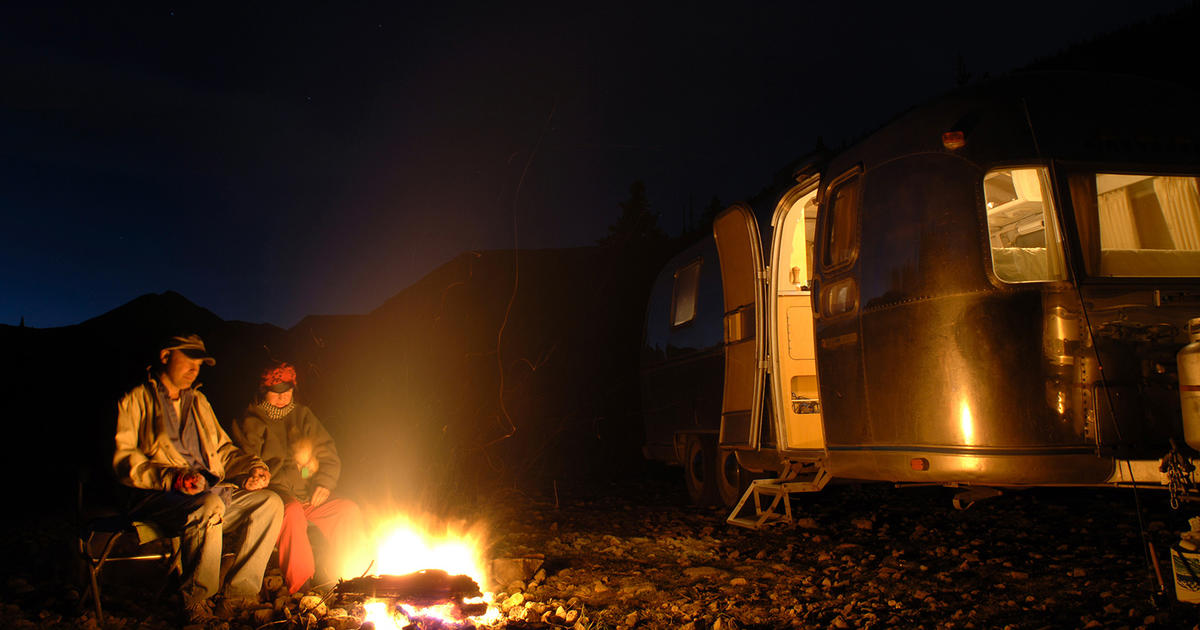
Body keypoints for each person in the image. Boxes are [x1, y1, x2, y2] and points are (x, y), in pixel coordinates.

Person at [113, 334, 284, 624]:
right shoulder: (136, 399)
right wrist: (173, 477)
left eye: (199, 362)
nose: (195, 368)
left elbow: (223, 450)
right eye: (188, 359)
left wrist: (252, 467)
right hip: (159, 497)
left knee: (270, 503)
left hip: (209, 494)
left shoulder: (198, 402)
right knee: (209, 504)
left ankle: (238, 595)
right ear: (166, 356)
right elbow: (126, 460)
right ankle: (197, 602)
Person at [231, 361, 364, 594]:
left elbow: (327, 452)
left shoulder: (302, 416)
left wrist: (323, 481)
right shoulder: (251, 420)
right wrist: (255, 477)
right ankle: (303, 589)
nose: (283, 397)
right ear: (264, 391)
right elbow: (243, 459)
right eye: (276, 392)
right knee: (291, 513)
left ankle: (353, 579)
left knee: (347, 510)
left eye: (288, 391)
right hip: (274, 494)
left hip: (307, 494)